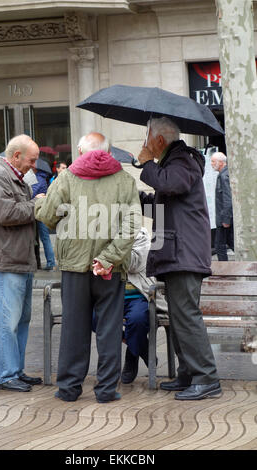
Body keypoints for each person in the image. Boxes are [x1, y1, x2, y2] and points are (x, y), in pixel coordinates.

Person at [35, 132, 141, 403]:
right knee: (109, 330)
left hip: (74, 266)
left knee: (74, 328)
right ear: (108, 151)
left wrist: (40, 203)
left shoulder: (67, 178)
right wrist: (108, 258)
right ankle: (106, 390)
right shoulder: (125, 180)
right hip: (110, 269)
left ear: (82, 151)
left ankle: (69, 388)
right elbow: (131, 227)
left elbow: (47, 217)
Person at [137, 117, 221, 401]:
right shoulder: (174, 163)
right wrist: (141, 199)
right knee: (179, 317)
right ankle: (188, 372)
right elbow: (166, 204)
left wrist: (147, 164)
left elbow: (171, 185)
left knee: (186, 316)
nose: (145, 143)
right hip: (177, 252)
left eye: (148, 137)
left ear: (159, 140)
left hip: (184, 253)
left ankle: (207, 377)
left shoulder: (182, 160)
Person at [0, 134, 44, 392]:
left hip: (19, 258)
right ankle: (6, 375)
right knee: (9, 322)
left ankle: (16, 370)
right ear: (16, 156)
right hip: (7, 259)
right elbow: (5, 214)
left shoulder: (14, 176)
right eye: (32, 160)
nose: (34, 166)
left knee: (21, 321)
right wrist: (36, 205)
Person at [120, 227, 168, 384]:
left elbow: (134, 264)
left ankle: (131, 356)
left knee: (138, 319)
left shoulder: (140, 234)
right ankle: (143, 349)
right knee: (92, 316)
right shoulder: (101, 232)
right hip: (111, 297)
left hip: (138, 295)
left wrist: (110, 250)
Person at [211, 151, 234, 261]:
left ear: (221, 163)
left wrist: (226, 219)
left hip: (223, 219)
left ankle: (223, 273)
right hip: (224, 217)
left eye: (213, 161)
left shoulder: (224, 176)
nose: (211, 163)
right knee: (231, 242)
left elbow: (227, 198)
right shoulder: (224, 174)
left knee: (219, 246)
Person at [32, 169, 56, 270]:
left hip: (39, 210)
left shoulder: (38, 179)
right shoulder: (42, 178)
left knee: (44, 237)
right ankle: (48, 262)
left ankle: (51, 263)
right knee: (43, 238)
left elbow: (32, 193)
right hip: (40, 209)